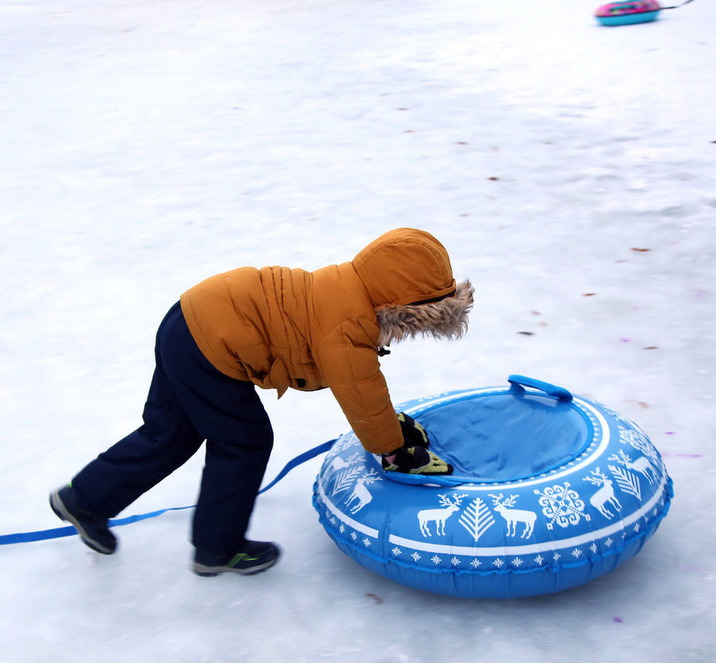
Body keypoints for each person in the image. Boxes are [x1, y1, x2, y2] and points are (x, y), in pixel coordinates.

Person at [50, 228, 474, 577]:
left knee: (171, 432)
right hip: (212, 345)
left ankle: (84, 499)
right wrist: (395, 448)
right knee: (245, 441)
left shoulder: (344, 289)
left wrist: (392, 429)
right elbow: (361, 393)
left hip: (187, 319)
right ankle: (218, 547)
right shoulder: (348, 326)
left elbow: (363, 386)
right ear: (400, 308)